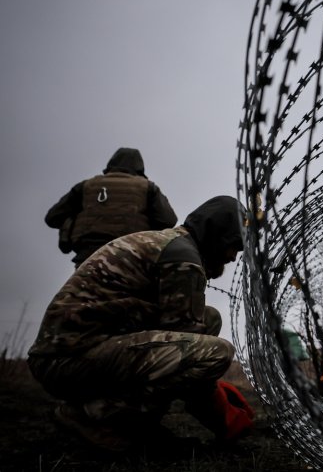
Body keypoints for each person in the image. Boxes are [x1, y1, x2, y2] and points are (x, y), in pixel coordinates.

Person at [27, 195, 250, 452]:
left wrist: (213, 392)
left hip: (72, 352)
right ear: (216, 235)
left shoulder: (170, 243)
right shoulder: (183, 258)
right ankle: (93, 416)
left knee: (209, 319)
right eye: (233, 245)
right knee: (217, 352)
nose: (233, 257)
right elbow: (187, 351)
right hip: (67, 360)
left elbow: (182, 335)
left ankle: (135, 424)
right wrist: (221, 411)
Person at [45, 147, 177, 267]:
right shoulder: (147, 187)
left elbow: (53, 217)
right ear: (139, 167)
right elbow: (168, 221)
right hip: (130, 255)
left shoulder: (86, 186)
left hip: (88, 257)